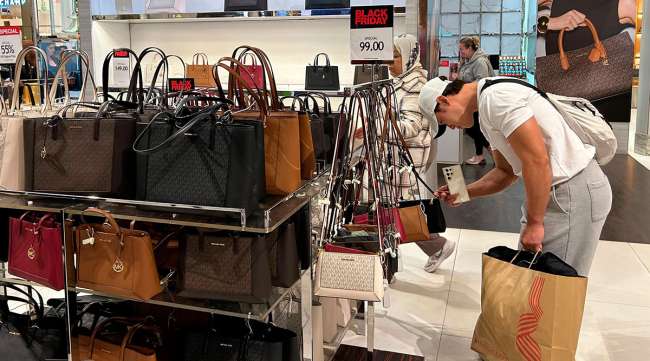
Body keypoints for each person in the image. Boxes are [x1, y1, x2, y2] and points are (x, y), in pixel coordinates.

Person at [418, 76, 613, 276]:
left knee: (552, 289)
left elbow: (536, 160)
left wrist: (534, 223)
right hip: (556, 194)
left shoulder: (495, 98)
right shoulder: (487, 105)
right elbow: (505, 172)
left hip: (570, 192)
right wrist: (463, 192)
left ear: (443, 101)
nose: (450, 127)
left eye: (442, 121)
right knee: (534, 286)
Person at [387, 34, 456, 273]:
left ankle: (437, 245)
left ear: (408, 57)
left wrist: (376, 126)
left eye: (395, 56)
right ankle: (434, 246)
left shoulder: (414, 86)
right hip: (402, 157)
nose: (390, 62)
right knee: (403, 208)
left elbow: (411, 128)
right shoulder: (402, 80)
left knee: (401, 210)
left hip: (408, 157)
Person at [455, 36, 494, 165]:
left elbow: (481, 82)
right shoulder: (468, 61)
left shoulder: (479, 62)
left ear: (470, 48)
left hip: (478, 100)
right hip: (471, 100)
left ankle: (487, 152)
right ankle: (482, 154)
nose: (461, 52)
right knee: (474, 128)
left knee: (474, 128)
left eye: (462, 49)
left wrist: (464, 86)